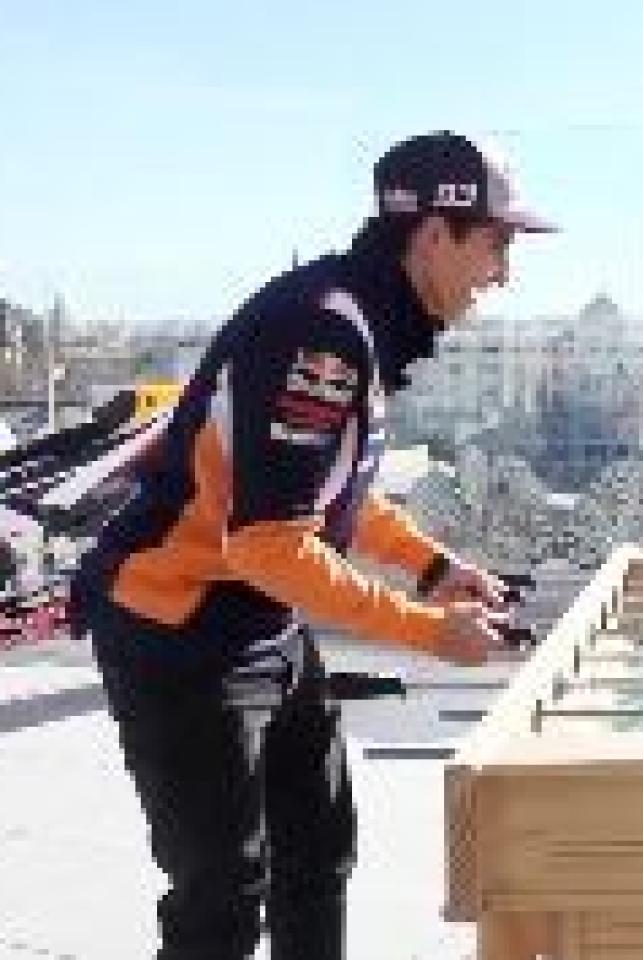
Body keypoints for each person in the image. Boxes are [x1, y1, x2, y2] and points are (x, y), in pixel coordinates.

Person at [74, 131, 558, 960]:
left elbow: (334, 487)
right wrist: (426, 630)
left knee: (319, 850)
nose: (503, 272)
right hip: (179, 631)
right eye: (496, 242)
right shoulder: (322, 331)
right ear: (435, 233)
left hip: (262, 624)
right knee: (221, 901)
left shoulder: (358, 317)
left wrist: (434, 567)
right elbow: (267, 540)